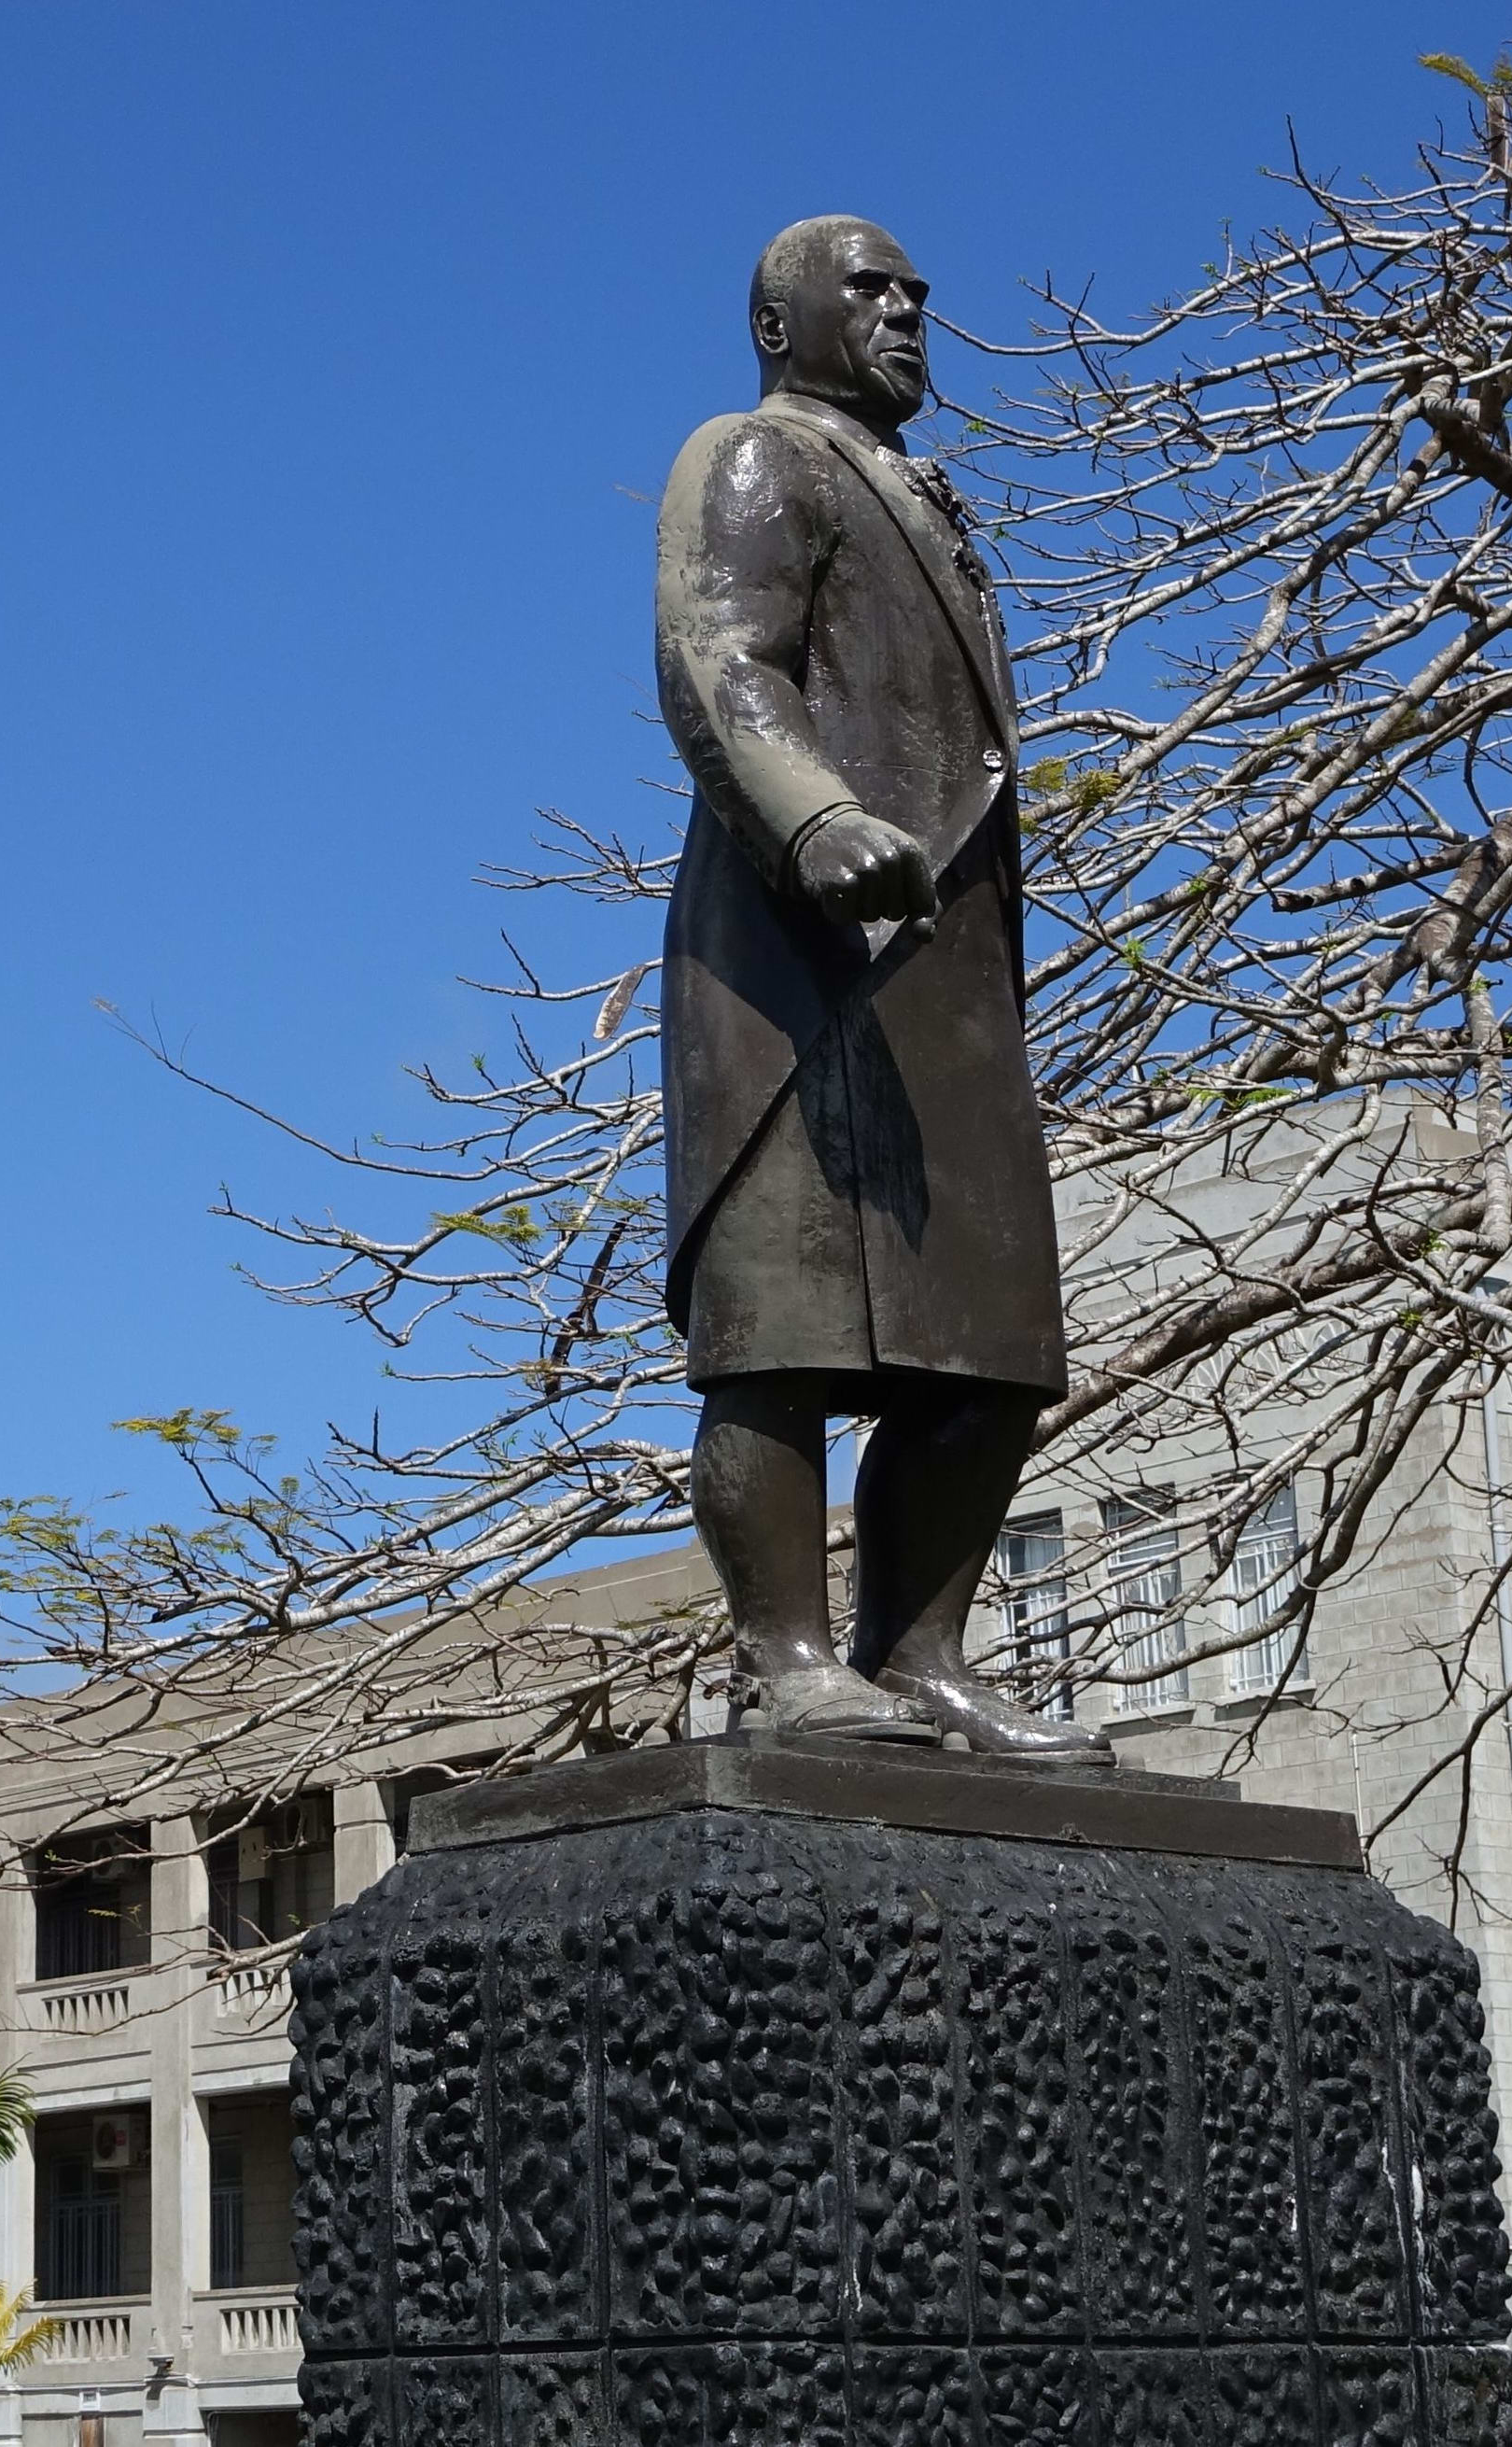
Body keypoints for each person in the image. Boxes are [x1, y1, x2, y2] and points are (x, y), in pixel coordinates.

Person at [651, 215, 1106, 1760]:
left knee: (989, 1353)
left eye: (918, 289)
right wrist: (816, 813)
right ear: (781, 324)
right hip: (802, 963)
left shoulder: (918, 488)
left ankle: (924, 1657)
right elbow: (722, 660)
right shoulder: (754, 454)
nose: (909, 307)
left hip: (949, 983)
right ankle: (788, 1658)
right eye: (871, 288)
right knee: (777, 1329)